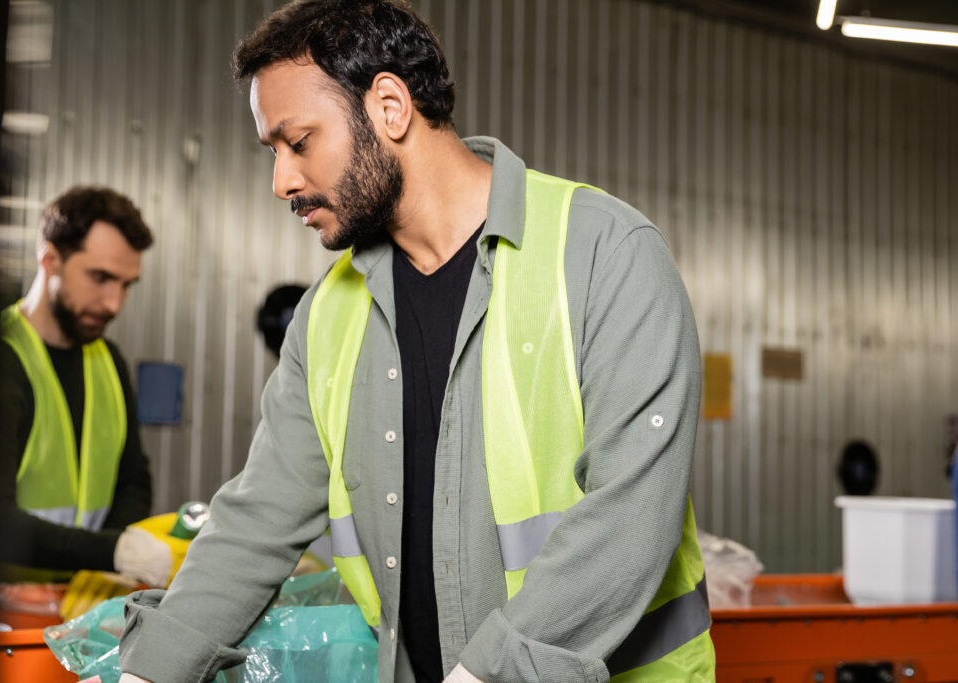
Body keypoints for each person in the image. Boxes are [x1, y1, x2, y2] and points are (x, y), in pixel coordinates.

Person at [119, 1, 714, 681]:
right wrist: (147, 670)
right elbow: (257, 521)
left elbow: (631, 516)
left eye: (299, 141)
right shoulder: (326, 317)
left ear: (391, 106)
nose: (281, 180)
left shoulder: (604, 254)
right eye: (273, 151)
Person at [0, 186, 173, 588]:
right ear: (50, 259)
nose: (114, 303)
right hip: (1, 617)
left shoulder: (108, 360)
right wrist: (112, 553)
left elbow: (133, 479)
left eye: (127, 285)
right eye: (100, 278)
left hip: (82, 604)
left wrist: (105, 563)